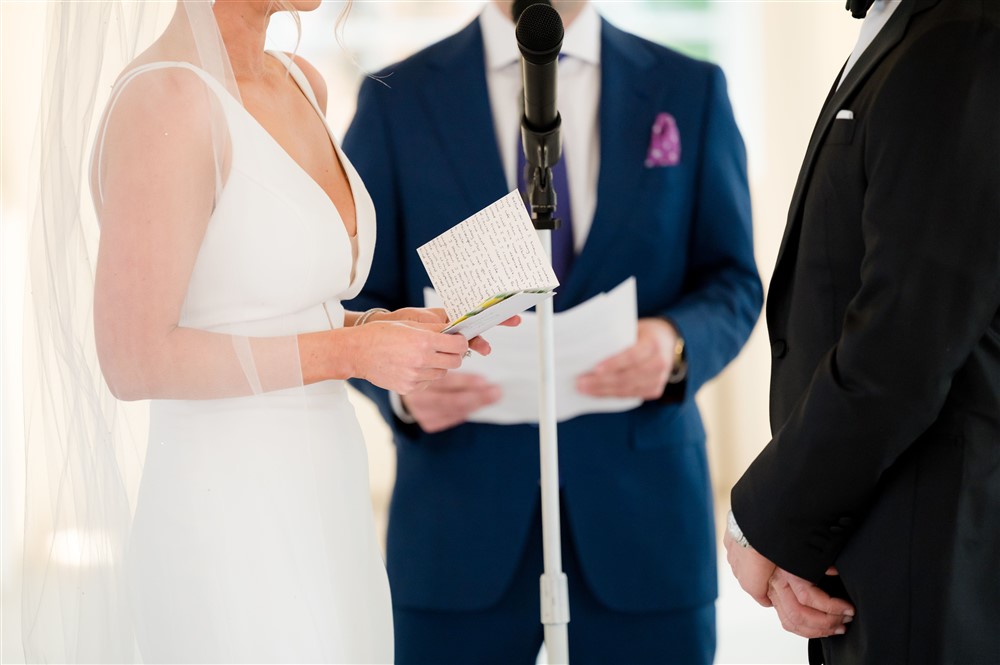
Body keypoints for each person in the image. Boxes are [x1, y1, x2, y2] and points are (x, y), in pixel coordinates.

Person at [22, 0, 500, 661]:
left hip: (327, 496)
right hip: (227, 511)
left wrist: (378, 327)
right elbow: (133, 358)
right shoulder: (166, 99)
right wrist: (352, 349)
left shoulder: (303, 80)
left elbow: (274, 301)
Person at [343, 1, 762, 662]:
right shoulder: (397, 97)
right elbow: (353, 293)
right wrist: (401, 390)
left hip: (642, 518)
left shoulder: (690, 88)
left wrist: (675, 343)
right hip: (458, 526)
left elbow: (733, 279)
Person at [725, 1, 1000, 663]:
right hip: (872, 538)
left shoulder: (960, 33)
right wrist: (805, 538)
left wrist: (766, 521)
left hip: (927, 553)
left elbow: (902, 346)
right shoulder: (912, 28)